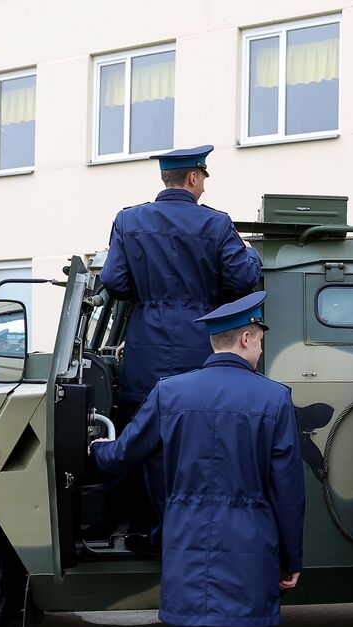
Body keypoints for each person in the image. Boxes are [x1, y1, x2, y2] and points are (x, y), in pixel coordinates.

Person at [89, 291, 305, 627]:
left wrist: (96, 445)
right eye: (259, 342)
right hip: (250, 550)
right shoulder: (272, 399)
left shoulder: (170, 392)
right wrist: (291, 560)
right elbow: (288, 492)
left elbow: (123, 456)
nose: (260, 351)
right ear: (248, 338)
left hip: (186, 548)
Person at [99, 145, 264, 545]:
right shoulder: (217, 224)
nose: (204, 184)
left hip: (146, 350)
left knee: (148, 441)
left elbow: (114, 281)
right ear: (193, 178)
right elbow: (243, 279)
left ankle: (155, 527)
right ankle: (192, 535)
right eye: (203, 177)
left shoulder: (128, 220)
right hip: (198, 349)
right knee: (199, 446)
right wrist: (252, 252)